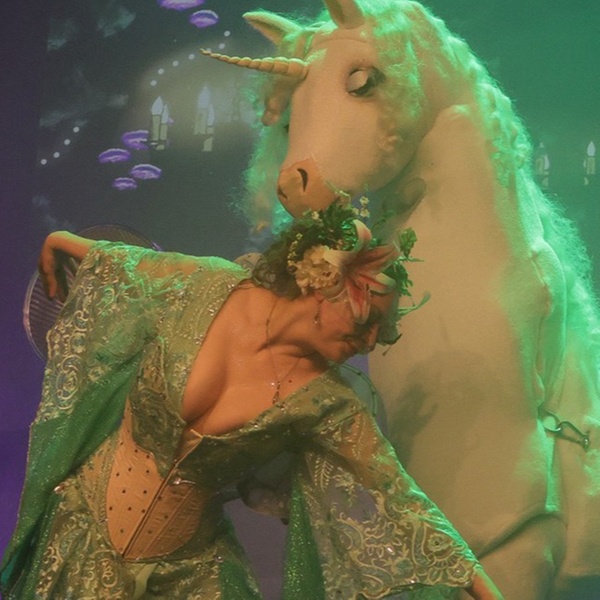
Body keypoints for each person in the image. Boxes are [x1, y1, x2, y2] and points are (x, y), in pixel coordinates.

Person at [1, 202, 503, 599]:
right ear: (324, 284)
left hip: (190, 576)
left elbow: (401, 497)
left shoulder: (328, 405)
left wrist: (485, 590)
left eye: (380, 330)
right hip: (83, 534)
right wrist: (58, 241)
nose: (370, 341)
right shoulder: (204, 284)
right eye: (367, 319)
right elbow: (123, 262)